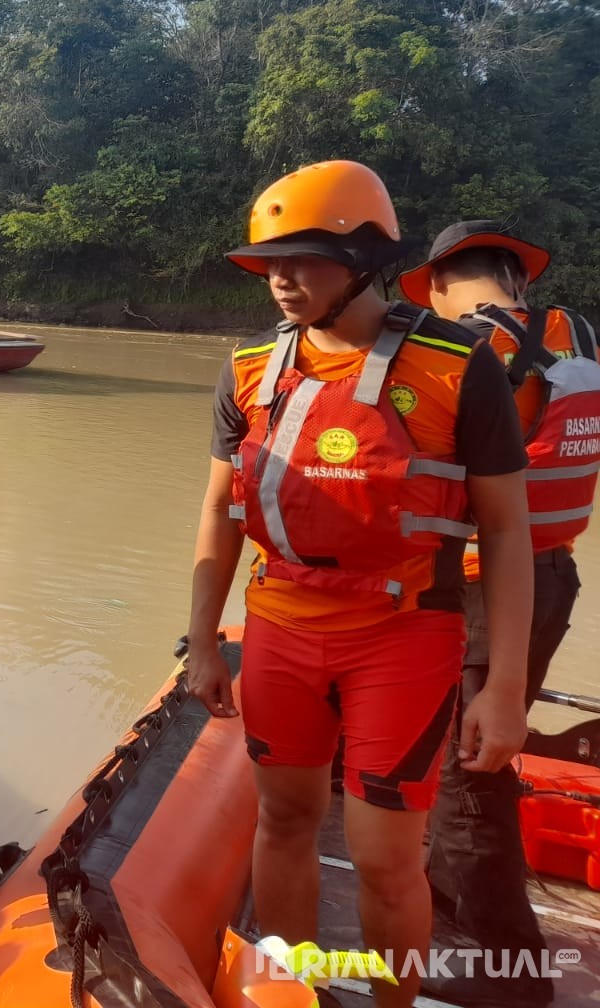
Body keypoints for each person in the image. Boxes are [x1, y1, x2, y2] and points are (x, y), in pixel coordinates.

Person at [184, 162, 534, 1008]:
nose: (280, 277)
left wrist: (508, 686)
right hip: (279, 625)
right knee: (285, 821)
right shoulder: (249, 370)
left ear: (365, 259)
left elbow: (508, 529)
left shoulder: (460, 366)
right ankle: (293, 995)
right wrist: (202, 640)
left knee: (384, 859)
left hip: (404, 633)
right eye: (271, 260)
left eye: (304, 258)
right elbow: (218, 516)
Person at [399, 222, 600, 1006]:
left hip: (487, 585)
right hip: (552, 575)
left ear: (445, 283)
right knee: (477, 752)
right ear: (518, 278)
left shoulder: (474, 353)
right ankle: (449, 907)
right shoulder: (573, 334)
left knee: (465, 769)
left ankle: (505, 964)